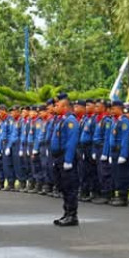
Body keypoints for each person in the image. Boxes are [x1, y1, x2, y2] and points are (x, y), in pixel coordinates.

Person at [51, 93, 80, 226]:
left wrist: (68, 160)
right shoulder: (62, 120)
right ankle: (66, 213)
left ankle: (72, 215)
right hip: (59, 157)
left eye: (58, 105)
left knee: (70, 187)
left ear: (65, 106)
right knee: (63, 186)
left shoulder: (71, 121)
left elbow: (71, 142)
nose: (55, 107)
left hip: (66, 158)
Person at [107, 100, 129, 207]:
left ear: (119, 109)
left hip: (120, 151)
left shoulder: (124, 121)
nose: (111, 111)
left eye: (113, 108)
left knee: (122, 175)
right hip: (114, 151)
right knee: (115, 174)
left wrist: (123, 155)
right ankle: (118, 194)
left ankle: (123, 196)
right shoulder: (115, 120)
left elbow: (125, 139)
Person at [0, 104, 16, 191]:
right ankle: (8, 183)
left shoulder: (9, 120)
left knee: (8, 165)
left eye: (0, 112)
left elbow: (12, 134)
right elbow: (1, 136)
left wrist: (9, 146)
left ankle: (11, 183)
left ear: (4, 110)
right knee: (5, 166)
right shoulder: (3, 121)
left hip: (8, 144)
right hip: (3, 144)